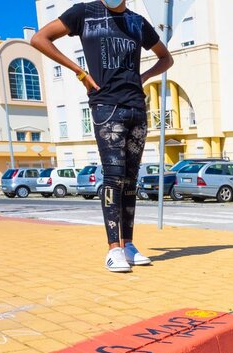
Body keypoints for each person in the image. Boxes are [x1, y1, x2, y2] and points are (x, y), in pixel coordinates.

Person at [31, 0, 173, 273]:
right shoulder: (85, 13)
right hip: (106, 106)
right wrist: (80, 72)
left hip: (136, 107)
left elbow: (166, 58)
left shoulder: (137, 22)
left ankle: (128, 245)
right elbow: (39, 39)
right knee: (113, 176)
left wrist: (142, 77)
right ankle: (113, 249)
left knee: (131, 178)